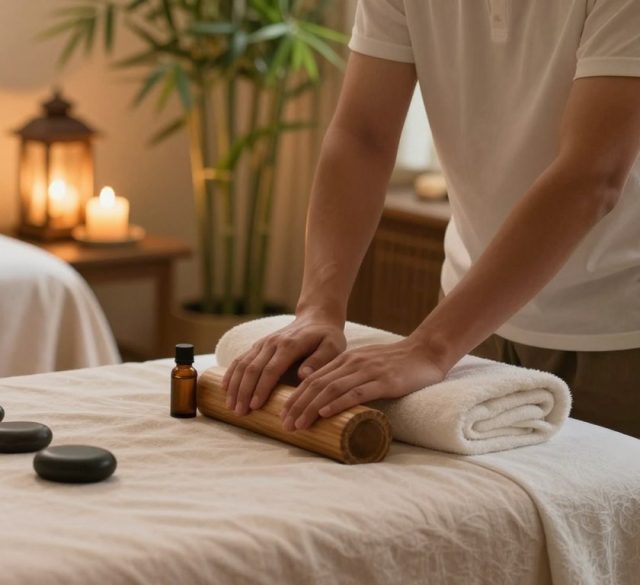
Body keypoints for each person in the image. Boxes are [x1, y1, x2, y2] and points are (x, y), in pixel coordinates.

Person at [224, 0, 640, 438]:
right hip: (474, 318)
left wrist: (430, 347)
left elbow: (590, 178)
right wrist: (318, 309)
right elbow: (362, 136)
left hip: (618, 329)